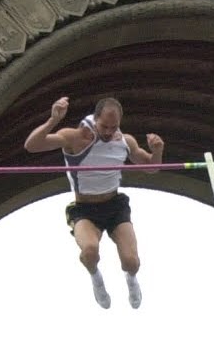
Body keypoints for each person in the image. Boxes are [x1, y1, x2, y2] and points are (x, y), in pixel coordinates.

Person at [24, 96, 164, 309]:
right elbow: (31, 146)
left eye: (113, 127)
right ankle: (96, 278)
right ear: (95, 119)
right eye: (104, 126)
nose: (108, 132)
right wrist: (53, 120)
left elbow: (152, 167)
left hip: (114, 206)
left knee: (132, 262)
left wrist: (157, 151)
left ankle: (131, 279)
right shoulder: (75, 137)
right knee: (90, 250)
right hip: (85, 209)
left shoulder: (125, 142)